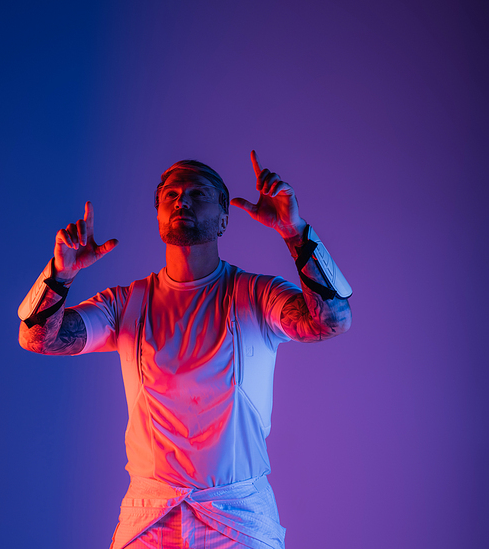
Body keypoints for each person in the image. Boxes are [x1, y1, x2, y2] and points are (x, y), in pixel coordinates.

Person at [19, 151, 352, 549]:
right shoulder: (126, 304)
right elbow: (37, 337)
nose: (182, 201)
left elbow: (331, 320)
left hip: (238, 515)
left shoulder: (257, 295)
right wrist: (61, 274)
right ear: (159, 215)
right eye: (171, 195)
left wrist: (295, 232)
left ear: (225, 217)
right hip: (150, 515)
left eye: (198, 193)